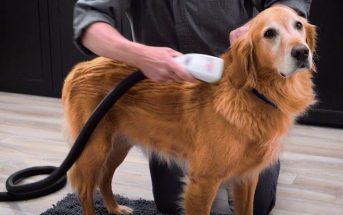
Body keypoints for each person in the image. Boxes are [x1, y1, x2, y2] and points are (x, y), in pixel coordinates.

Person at [73, 1, 312, 214]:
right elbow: (89, 16)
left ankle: (235, 159)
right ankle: (88, 202)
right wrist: (139, 55)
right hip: (163, 94)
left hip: (240, 78)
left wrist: (263, 25)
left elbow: (290, 4)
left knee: (258, 203)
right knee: (175, 201)